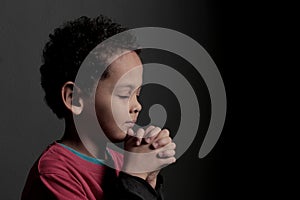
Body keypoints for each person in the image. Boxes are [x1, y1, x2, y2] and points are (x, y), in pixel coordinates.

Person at [21, 15, 176, 200]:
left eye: (138, 94)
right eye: (125, 94)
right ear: (75, 99)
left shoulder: (121, 162)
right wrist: (135, 178)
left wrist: (148, 180)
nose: (138, 106)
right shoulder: (53, 174)